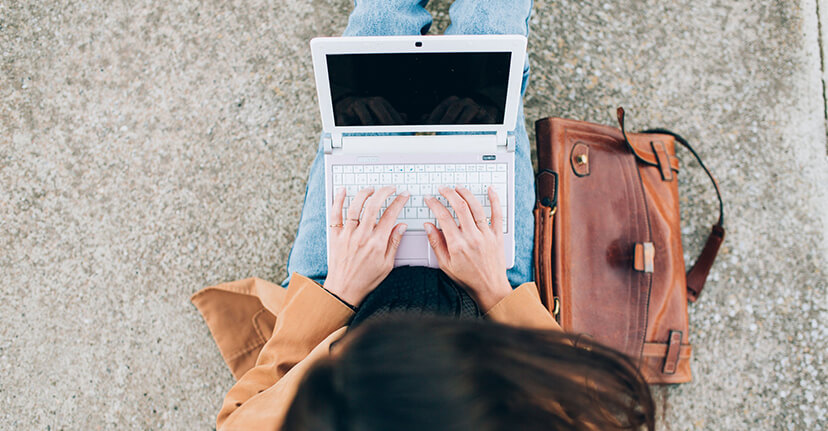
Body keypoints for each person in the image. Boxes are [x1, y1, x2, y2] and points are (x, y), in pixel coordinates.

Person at [210, 1, 655, 429]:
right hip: (488, 302)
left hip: (339, 296)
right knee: (489, 40)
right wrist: (495, 290)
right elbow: (583, 407)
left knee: (375, 33)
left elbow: (240, 419)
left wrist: (338, 295)